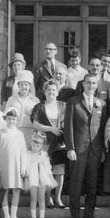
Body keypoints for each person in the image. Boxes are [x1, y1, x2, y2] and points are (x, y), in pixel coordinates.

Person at [64, 74, 108, 218]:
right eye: (88, 83)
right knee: (76, 182)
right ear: (83, 84)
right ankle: (75, 215)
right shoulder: (73, 101)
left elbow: (102, 129)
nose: (91, 86)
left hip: (95, 149)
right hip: (78, 148)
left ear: (97, 86)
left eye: (93, 83)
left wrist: (102, 149)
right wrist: (70, 148)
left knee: (92, 183)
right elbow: (68, 126)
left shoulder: (101, 103)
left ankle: (89, 214)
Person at [31, 80, 67, 209]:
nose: (51, 92)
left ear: (57, 92)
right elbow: (35, 124)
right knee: (46, 171)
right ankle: (48, 198)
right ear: (44, 92)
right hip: (45, 142)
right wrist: (51, 129)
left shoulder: (64, 106)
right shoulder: (39, 107)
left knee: (59, 172)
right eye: (49, 90)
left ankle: (58, 198)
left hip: (60, 143)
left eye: (53, 90)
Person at [0, 108, 28, 218]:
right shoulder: (0, 132)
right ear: (5, 119)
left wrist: (23, 166)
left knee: (17, 190)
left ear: (17, 120)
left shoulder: (20, 134)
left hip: (17, 165)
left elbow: (23, 151)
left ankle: (14, 215)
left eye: (14, 119)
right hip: (5, 164)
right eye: (9, 119)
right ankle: (6, 216)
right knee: (5, 190)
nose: (12, 121)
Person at [24, 134, 58, 218]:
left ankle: (42, 217)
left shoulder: (44, 154)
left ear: (41, 146)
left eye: (37, 146)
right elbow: (26, 166)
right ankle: (33, 217)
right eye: (34, 145)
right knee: (33, 198)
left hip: (42, 177)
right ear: (31, 144)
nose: (35, 148)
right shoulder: (28, 154)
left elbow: (48, 166)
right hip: (32, 178)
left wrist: (50, 177)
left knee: (41, 197)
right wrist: (26, 174)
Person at [6, 70, 40, 146]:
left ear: (29, 86)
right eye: (21, 84)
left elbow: (38, 119)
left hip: (29, 132)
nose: (23, 87)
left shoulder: (35, 101)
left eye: (26, 85)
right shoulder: (11, 99)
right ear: (18, 86)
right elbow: (6, 116)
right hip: (14, 130)